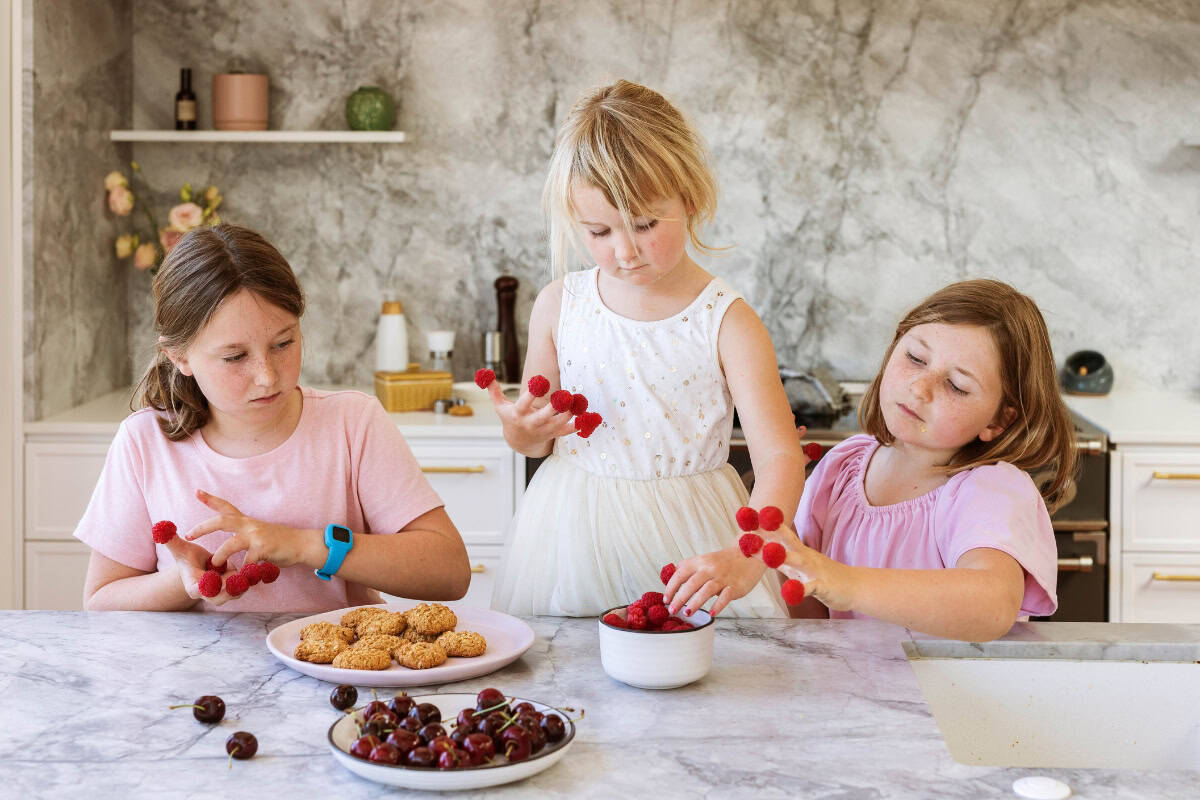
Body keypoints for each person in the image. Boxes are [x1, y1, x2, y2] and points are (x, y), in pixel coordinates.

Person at [487, 80, 805, 618]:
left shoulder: (728, 321)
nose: (625, 251)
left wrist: (749, 556)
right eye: (598, 231)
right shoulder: (559, 304)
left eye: (644, 224)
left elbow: (779, 456)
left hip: (695, 534)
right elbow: (534, 443)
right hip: (571, 533)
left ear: (691, 199)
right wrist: (521, 430)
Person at [76, 224, 471, 612]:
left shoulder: (353, 423)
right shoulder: (143, 442)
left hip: (331, 673)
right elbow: (101, 600)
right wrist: (183, 584)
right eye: (235, 357)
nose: (267, 376)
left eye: (283, 343)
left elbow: (449, 571)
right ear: (179, 357)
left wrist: (304, 546)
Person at [744, 279, 1076, 641]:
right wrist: (782, 541)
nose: (920, 387)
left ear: (999, 420)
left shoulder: (989, 490)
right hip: (851, 692)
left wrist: (845, 581)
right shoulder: (842, 466)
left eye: (957, 385)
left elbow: (992, 605)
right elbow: (814, 620)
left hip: (947, 695)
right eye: (915, 358)